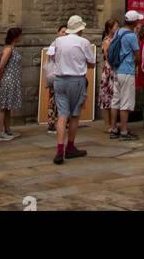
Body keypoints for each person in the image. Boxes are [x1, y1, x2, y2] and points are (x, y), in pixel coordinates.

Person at [51, 13, 95, 165]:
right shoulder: (84, 42)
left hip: (59, 80)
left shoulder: (58, 41)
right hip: (76, 80)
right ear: (80, 29)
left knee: (62, 115)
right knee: (75, 114)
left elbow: (52, 56)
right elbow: (92, 62)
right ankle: (70, 147)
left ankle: (59, 149)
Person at [109, 10, 143, 140]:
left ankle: (113, 128)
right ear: (134, 22)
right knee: (126, 102)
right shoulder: (131, 36)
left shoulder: (118, 32)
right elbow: (137, 55)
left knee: (116, 100)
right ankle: (124, 130)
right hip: (127, 70)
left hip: (117, 70)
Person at [0, 27, 23, 141]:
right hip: (7, 80)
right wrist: (0, 79)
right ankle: (0, 132)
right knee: (2, 107)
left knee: (7, 107)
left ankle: (7, 129)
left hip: (12, 80)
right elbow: (1, 66)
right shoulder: (8, 49)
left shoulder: (12, 48)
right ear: (16, 37)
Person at [46, 23, 67, 134]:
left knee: (62, 100)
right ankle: (52, 123)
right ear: (58, 32)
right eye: (62, 32)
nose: (64, 34)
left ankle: (61, 122)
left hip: (63, 74)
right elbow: (50, 58)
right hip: (55, 74)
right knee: (53, 99)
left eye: (66, 32)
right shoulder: (54, 44)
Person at [98, 18, 118, 131]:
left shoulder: (116, 39)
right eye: (115, 26)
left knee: (113, 97)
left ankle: (113, 123)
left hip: (114, 69)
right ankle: (108, 124)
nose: (117, 28)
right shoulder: (107, 40)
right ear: (110, 29)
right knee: (106, 97)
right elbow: (108, 57)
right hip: (109, 70)